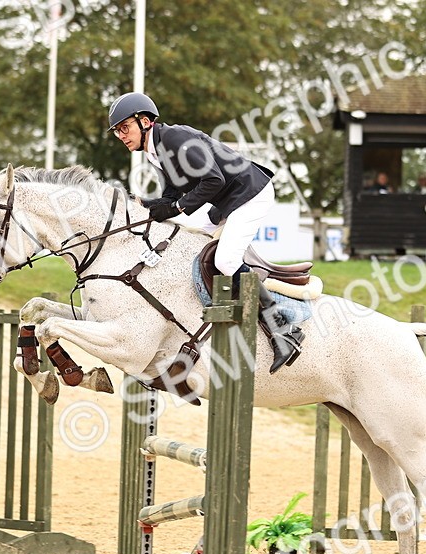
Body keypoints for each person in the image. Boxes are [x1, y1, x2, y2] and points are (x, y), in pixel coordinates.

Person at [107, 91, 302, 372]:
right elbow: (173, 193)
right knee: (186, 233)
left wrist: (174, 208)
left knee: (226, 261)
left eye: (125, 128)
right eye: (117, 132)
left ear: (145, 121)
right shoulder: (154, 152)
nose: (121, 136)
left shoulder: (174, 139)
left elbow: (213, 179)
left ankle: (284, 329)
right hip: (226, 201)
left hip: (250, 193)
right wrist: (146, 204)